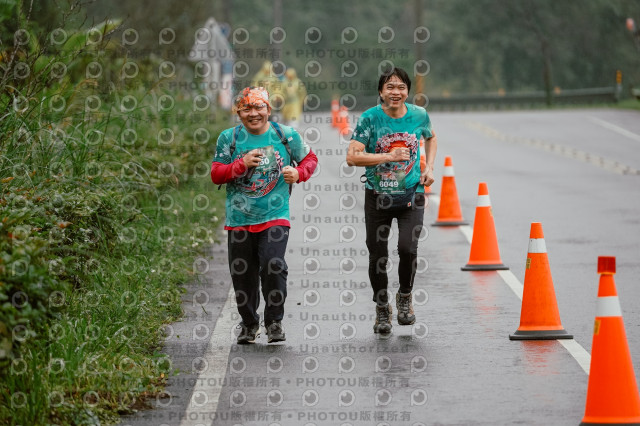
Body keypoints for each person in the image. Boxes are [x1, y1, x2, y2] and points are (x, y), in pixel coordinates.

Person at [211, 87, 318, 344]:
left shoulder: (285, 135)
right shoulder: (229, 139)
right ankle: (249, 323)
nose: (253, 113)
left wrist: (299, 173)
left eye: (259, 107)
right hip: (240, 218)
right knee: (242, 274)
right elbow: (216, 174)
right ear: (238, 112)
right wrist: (241, 164)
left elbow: (310, 159)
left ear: (269, 110)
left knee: (273, 264)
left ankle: (274, 322)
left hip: (275, 214)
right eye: (246, 108)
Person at [346, 67, 437, 334]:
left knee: (408, 248)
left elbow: (431, 137)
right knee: (378, 256)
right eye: (390, 87)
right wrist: (387, 157)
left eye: (400, 87)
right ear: (380, 92)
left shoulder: (419, 115)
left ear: (407, 91)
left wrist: (429, 167)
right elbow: (352, 157)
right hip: (377, 197)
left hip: (412, 194)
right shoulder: (369, 119)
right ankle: (382, 307)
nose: (395, 92)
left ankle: (405, 298)